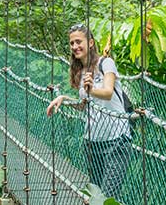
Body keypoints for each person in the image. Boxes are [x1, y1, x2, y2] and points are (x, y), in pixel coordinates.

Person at [46, 23, 132, 199]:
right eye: (72, 43)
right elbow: (85, 104)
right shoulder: (82, 71)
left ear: (90, 43)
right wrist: (64, 99)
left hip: (117, 141)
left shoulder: (106, 63)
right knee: (96, 197)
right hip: (92, 142)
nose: (75, 47)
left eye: (79, 42)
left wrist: (91, 89)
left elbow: (107, 92)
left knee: (108, 198)